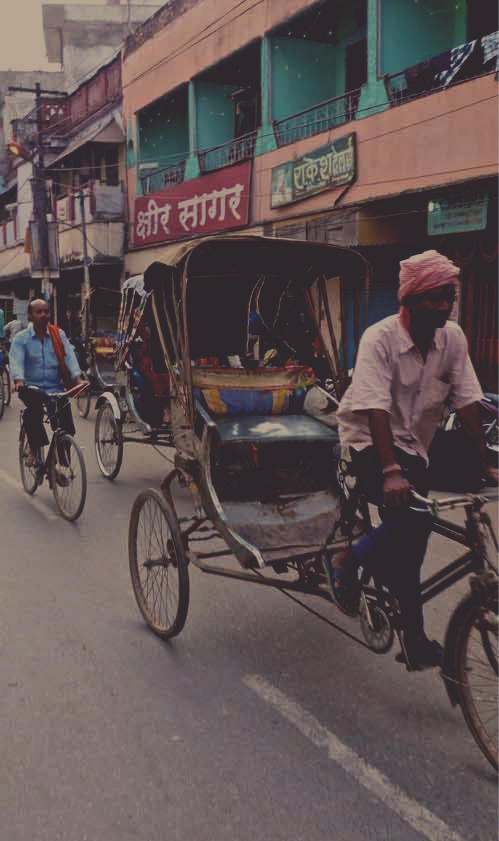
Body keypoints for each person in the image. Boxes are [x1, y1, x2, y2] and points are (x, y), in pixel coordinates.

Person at [323, 250, 498, 670]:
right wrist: (390, 472)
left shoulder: (452, 338)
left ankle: (415, 640)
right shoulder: (379, 338)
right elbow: (374, 407)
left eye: (447, 297)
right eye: (431, 297)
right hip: (367, 444)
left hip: (416, 445)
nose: (441, 305)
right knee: (412, 522)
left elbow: (469, 399)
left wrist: (485, 462)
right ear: (408, 299)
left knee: (412, 548)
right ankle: (346, 559)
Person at [9, 299, 84, 466]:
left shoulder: (59, 334)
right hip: (30, 387)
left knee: (66, 424)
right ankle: (34, 451)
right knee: (34, 413)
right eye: (39, 312)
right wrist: (19, 380)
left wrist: (78, 378)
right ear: (30, 315)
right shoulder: (22, 338)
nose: (43, 315)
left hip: (55, 388)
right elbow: (16, 360)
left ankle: (57, 459)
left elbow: (69, 356)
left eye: (46, 311)